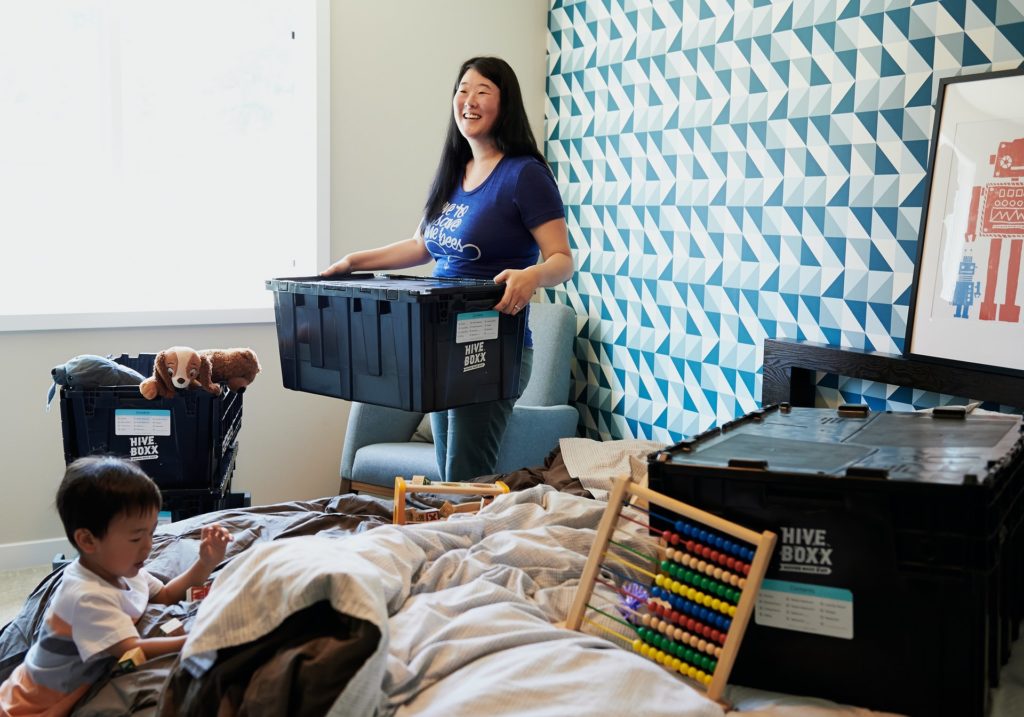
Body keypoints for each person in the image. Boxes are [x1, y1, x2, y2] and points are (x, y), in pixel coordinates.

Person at [322, 56, 574, 483]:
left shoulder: (524, 174)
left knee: (464, 476)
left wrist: (530, 276)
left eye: (482, 91)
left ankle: (475, 546)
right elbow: (421, 246)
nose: (468, 101)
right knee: (447, 476)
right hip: (439, 345)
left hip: (491, 346)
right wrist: (352, 262)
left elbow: (562, 260)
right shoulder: (454, 173)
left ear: (504, 103)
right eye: (462, 90)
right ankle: (449, 545)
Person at [0, 456, 232, 716]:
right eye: (136, 537)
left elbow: (166, 595)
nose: (148, 546)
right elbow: (131, 649)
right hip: (32, 705)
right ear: (88, 541)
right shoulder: (87, 596)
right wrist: (194, 639)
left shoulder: (122, 567)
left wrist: (205, 562)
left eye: (151, 532)